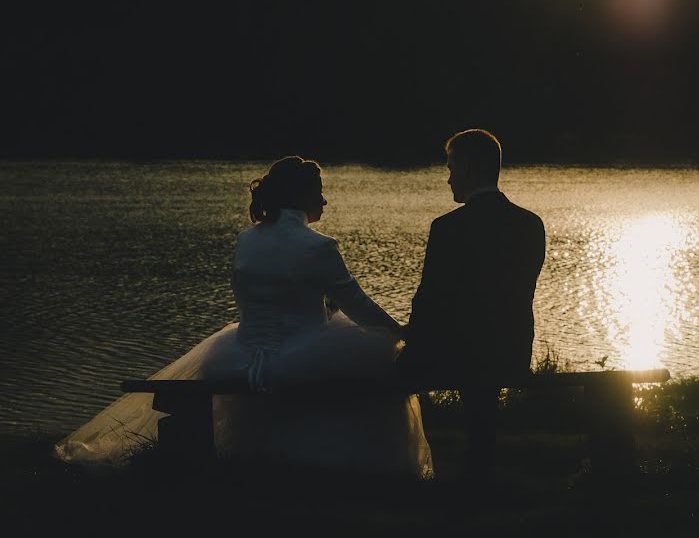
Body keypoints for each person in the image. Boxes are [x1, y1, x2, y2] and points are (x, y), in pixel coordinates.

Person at [56, 156, 433, 478]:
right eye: (319, 191)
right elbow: (360, 307)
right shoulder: (319, 246)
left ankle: (253, 457)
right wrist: (400, 331)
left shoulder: (247, 240)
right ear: (301, 195)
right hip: (299, 356)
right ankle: (359, 463)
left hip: (240, 353)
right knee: (380, 357)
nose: (326, 200)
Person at [397, 129, 545, 480]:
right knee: (476, 370)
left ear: (466, 167)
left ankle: (395, 470)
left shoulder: (448, 228)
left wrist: (410, 345)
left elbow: (429, 300)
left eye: (450, 168)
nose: (448, 178)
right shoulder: (531, 224)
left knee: (388, 371)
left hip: (463, 354)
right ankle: (477, 472)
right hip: (513, 351)